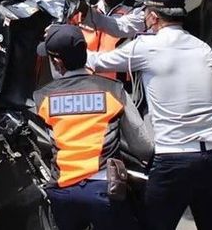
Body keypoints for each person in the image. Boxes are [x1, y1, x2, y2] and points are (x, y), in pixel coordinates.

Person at [85, 0, 212, 230]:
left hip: (173, 161)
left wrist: (62, 39)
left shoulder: (146, 47)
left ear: (153, 16)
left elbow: (96, 62)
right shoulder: (203, 50)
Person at [34, 24, 153, 230]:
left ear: (57, 62)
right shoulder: (113, 91)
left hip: (63, 193)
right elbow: (143, 147)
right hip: (106, 190)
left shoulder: (42, 98)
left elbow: (43, 143)